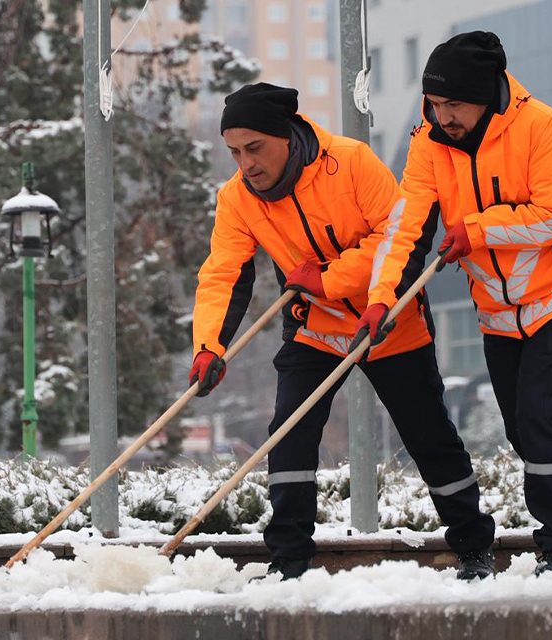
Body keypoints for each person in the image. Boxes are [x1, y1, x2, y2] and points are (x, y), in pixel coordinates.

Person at [360, 31, 552, 575]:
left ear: (487, 95)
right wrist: (381, 297)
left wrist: (476, 229)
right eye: (435, 103)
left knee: (542, 415)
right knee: (524, 429)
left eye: (454, 105)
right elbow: (404, 228)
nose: (442, 115)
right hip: (496, 306)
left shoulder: (540, 125)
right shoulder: (428, 141)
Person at [190, 83, 496, 581]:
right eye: (234, 153)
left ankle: (475, 546)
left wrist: (330, 279)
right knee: (288, 434)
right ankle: (288, 558)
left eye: (254, 148)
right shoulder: (237, 199)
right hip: (315, 329)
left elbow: (399, 236)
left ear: (286, 136)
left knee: (428, 436)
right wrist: (210, 346)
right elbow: (223, 272)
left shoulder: (351, 162)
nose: (245, 164)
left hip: (387, 321)